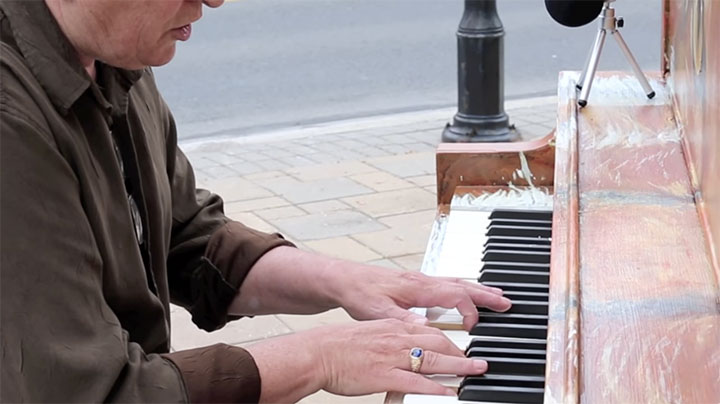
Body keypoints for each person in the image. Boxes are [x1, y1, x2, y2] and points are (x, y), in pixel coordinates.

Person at [0, 0, 512, 402]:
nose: (216, 1)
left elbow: (183, 235)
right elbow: (90, 394)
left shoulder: (112, 50)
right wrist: (320, 357)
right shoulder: (12, 123)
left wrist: (343, 280)